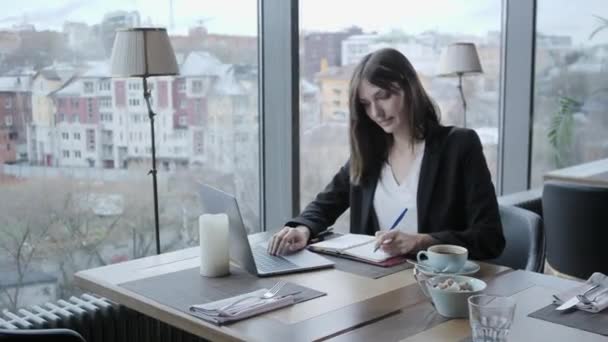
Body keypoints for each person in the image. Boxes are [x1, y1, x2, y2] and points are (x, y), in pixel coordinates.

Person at [268, 48, 505, 260]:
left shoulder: (459, 146)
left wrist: (421, 241)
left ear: (410, 88)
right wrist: (302, 229)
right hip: (376, 285)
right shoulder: (370, 154)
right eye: (366, 103)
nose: (376, 112)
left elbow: (490, 239)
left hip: (437, 285)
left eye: (383, 96)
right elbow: (325, 204)